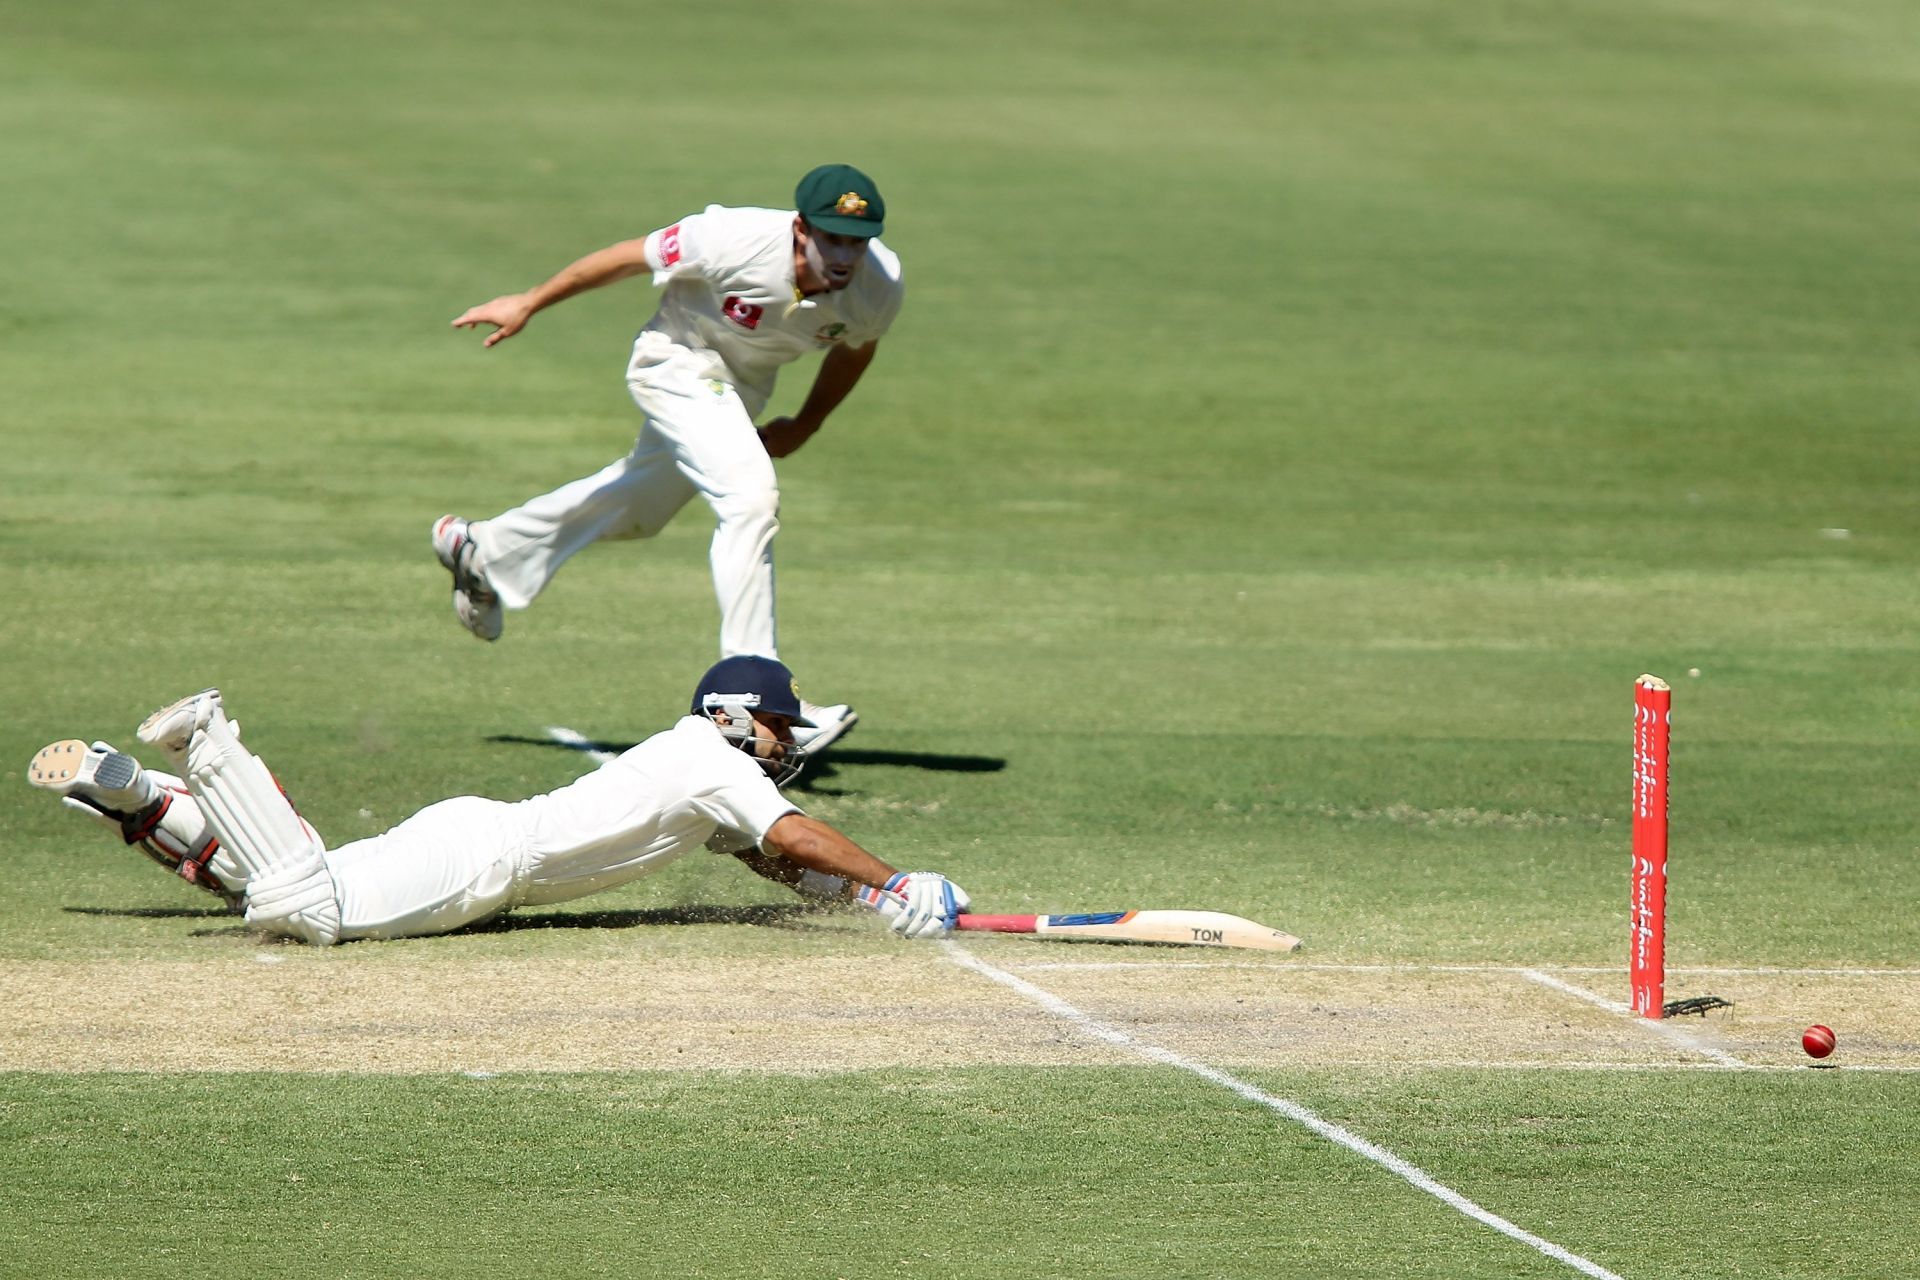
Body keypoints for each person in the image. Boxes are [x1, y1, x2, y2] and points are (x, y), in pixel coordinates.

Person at [432, 163, 905, 755]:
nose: (845, 254)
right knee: (750, 500)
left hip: (744, 388)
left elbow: (854, 351)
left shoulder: (879, 285)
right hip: (676, 361)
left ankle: (488, 551)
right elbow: (628, 256)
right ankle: (753, 695)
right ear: (800, 228)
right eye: (832, 237)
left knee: (640, 510)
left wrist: (806, 424)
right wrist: (529, 302)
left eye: (857, 242)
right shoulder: (733, 238)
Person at [24, 657, 968, 946]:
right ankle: (209, 740)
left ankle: (136, 790)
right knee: (302, 907)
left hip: (474, 837)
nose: (782, 746)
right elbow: (793, 831)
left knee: (264, 882)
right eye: (776, 727)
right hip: (486, 862)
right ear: (728, 716)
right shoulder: (711, 760)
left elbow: (777, 854)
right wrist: (895, 882)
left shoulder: (702, 771)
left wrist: (849, 897)